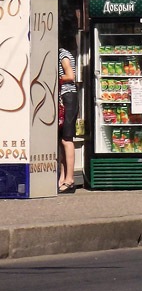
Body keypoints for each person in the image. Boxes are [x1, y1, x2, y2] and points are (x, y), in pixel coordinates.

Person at [57, 28, 79, 193]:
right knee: (61, 141)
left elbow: (70, 75)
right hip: (64, 98)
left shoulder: (62, 54)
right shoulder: (62, 53)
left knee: (66, 139)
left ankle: (70, 179)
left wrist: (54, 78)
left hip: (68, 97)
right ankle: (62, 178)